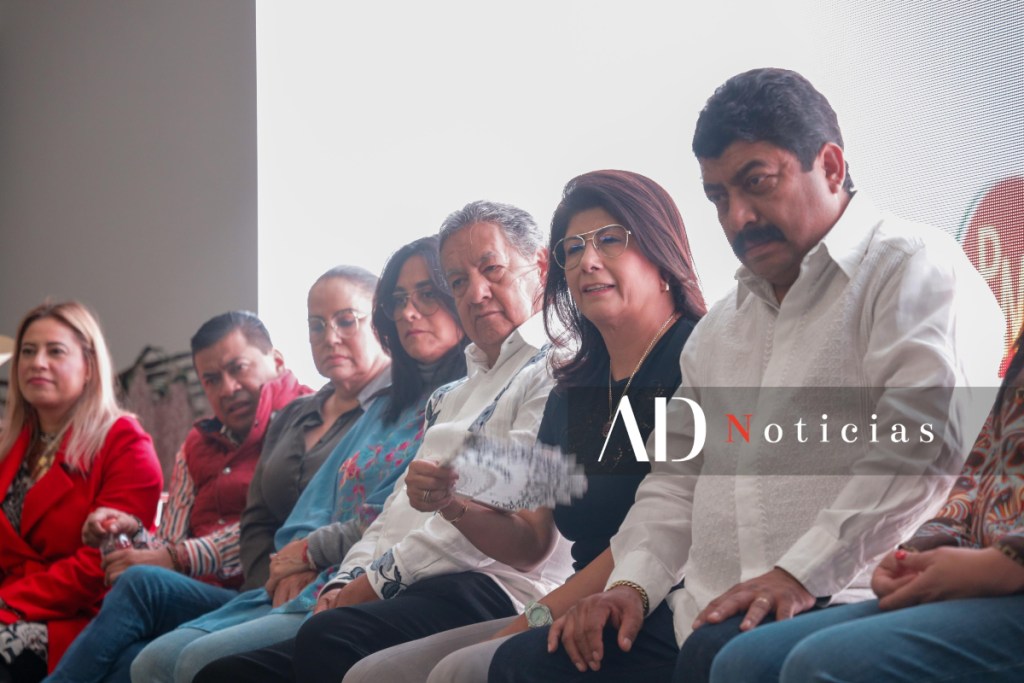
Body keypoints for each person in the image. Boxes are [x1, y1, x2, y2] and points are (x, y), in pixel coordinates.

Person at [490, 67, 1005, 683]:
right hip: (703, 608)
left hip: (844, 596)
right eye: (718, 197)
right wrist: (631, 587)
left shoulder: (912, 268)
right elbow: (676, 483)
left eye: (757, 183)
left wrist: (799, 573)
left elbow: (922, 447)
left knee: (725, 657)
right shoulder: (721, 328)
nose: (738, 217)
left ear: (831, 166)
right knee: (520, 667)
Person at [342, 169, 709, 683]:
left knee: (461, 670)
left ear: (661, 253)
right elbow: (533, 540)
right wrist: (453, 504)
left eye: (610, 240)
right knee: (373, 675)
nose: (587, 261)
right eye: (573, 249)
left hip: (662, 596)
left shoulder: (698, 356)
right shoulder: (572, 390)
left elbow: (664, 525)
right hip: (572, 603)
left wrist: (529, 621)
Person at [194, 200, 573, 683]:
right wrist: (348, 579)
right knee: (223, 675)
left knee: (328, 638)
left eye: (491, 269)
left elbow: (500, 525)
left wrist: (371, 584)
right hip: (417, 583)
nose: (476, 293)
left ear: (540, 266)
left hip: (494, 584)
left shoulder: (557, 368)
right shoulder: (451, 395)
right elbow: (394, 514)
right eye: (458, 282)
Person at [129, 239, 468, 683]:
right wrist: (281, 570)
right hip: (298, 574)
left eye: (427, 294)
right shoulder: (383, 407)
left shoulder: (458, 400)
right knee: (150, 661)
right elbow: (286, 513)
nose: (408, 312)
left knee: (198, 661)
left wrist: (308, 555)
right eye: (399, 300)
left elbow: (397, 517)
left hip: (364, 578)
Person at [707, 317, 1024, 683]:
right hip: (983, 577)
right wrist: (919, 553)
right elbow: (979, 477)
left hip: (1006, 578)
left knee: (826, 663)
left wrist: (1004, 564)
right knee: (744, 660)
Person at [44, 308, 314, 683]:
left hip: (260, 592)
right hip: (200, 594)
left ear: (277, 361)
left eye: (238, 368)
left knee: (141, 584)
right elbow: (170, 545)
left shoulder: (309, 421)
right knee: (130, 659)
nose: (228, 388)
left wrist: (174, 558)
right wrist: (133, 534)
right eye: (211, 380)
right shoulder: (195, 445)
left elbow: (276, 523)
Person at [0, 301, 162, 682]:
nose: (37, 363)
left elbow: (100, 565)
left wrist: (8, 601)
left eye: (55, 351)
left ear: (89, 366)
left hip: (81, 616)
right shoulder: (10, 445)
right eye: (28, 351)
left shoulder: (124, 442)